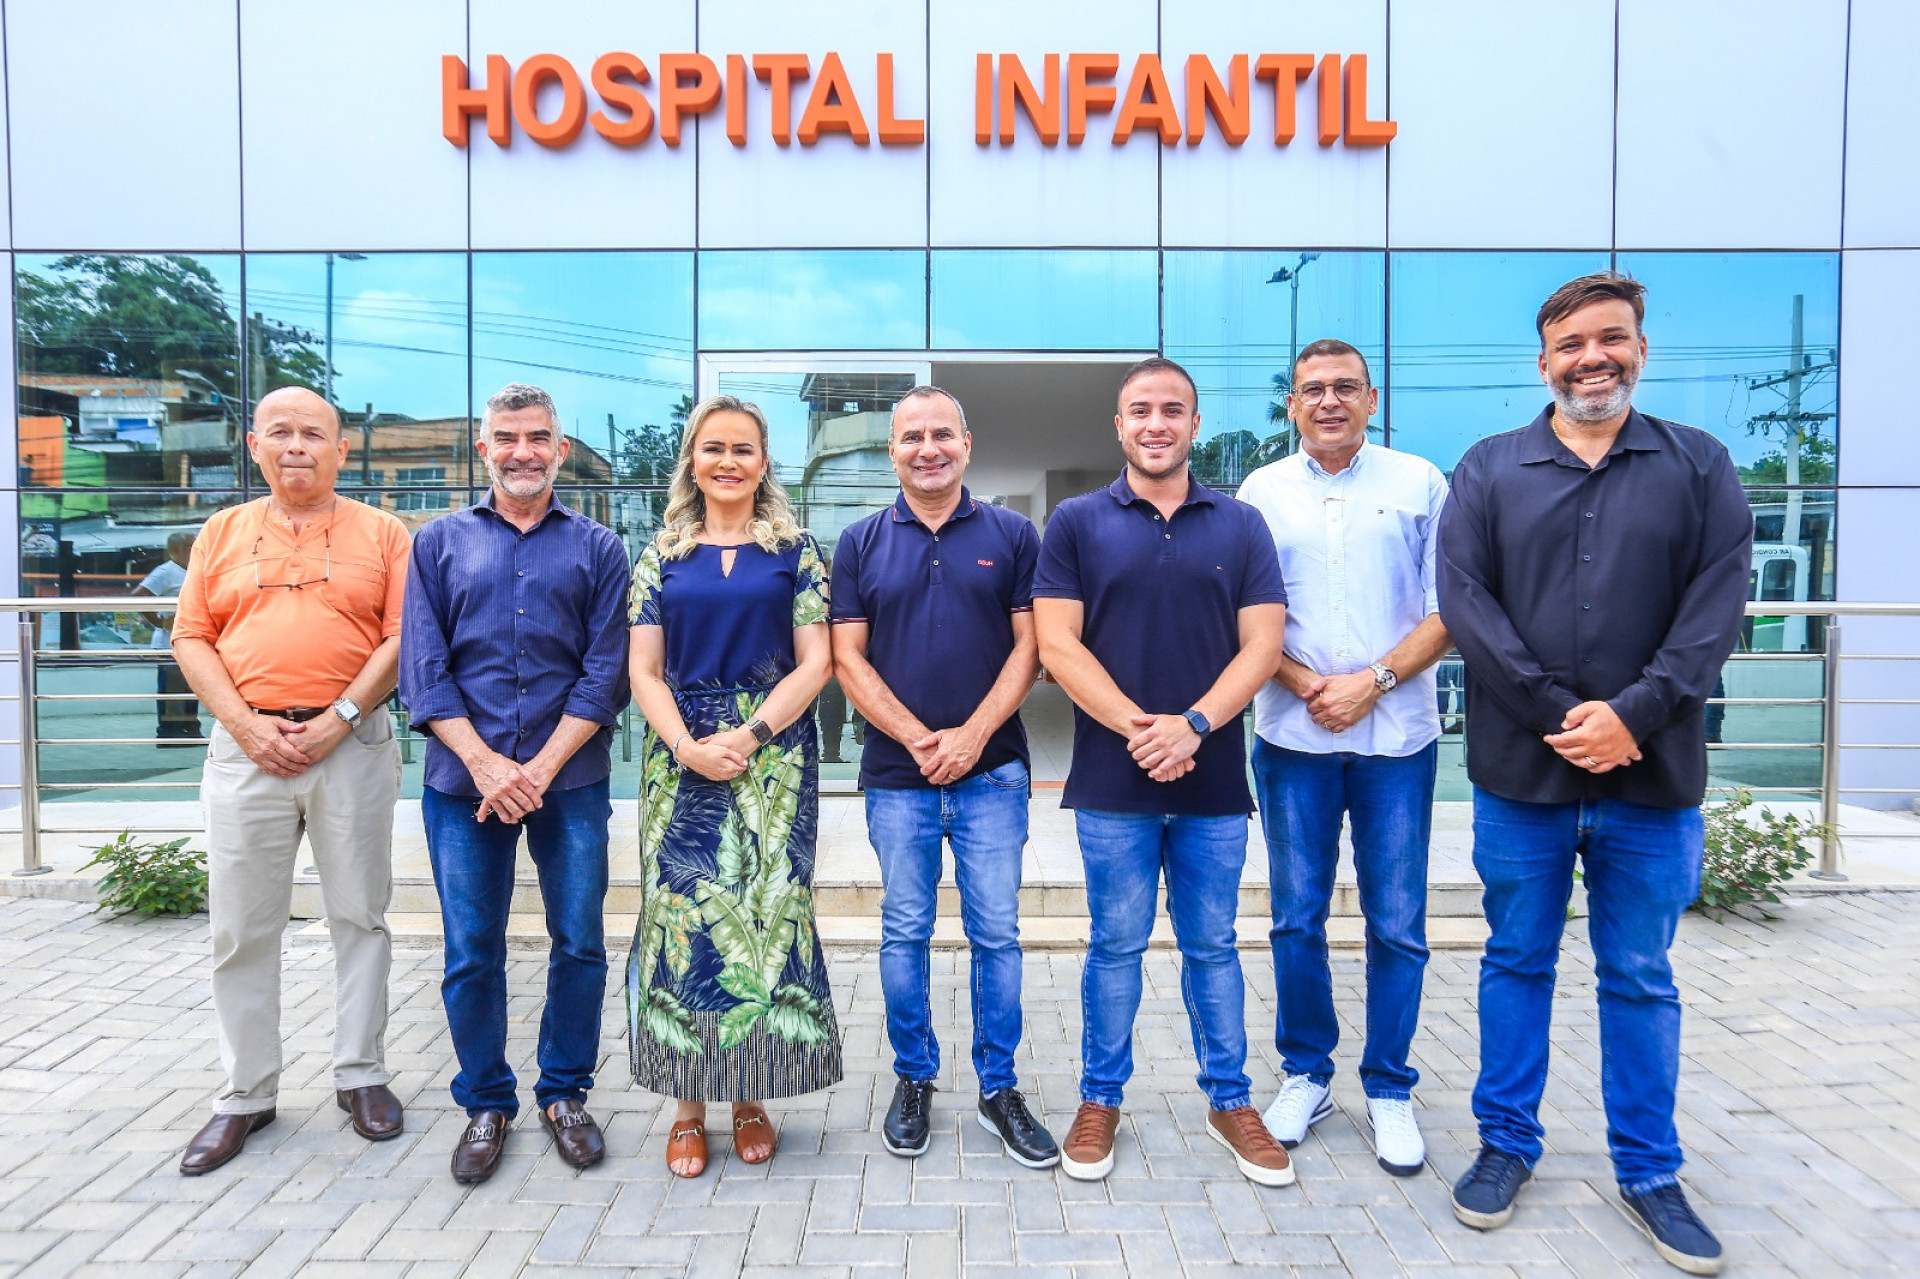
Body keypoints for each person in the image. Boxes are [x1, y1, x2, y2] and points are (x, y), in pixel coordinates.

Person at [1438, 273, 1751, 1275]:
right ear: (1544, 362)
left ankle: (1651, 1170)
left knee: (1642, 976)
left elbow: (1717, 606)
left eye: (1610, 340)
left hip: (1651, 782)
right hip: (1520, 780)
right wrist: (1556, 712)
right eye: (1571, 345)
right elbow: (1467, 603)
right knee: (1516, 961)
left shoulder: (1700, 467)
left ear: (1641, 351)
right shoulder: (1489, 470)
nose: (1591, 359)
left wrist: (1636, 714)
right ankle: (1505, 1145)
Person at [1033, 357, 1291, 1187]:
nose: (1155, 422)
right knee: (1114, 944)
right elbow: (1057, 644)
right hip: (1114, 782)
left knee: (1213, 944)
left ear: (1193, 423)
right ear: (1119, 425)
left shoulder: (1241, 524)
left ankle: (1230, 1100)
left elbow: (1264, 644)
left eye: (1171, 409)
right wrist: (1142, 730)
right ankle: (1100, 1100)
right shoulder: (1075, 522)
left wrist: (1196, 726)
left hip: (1213, 780)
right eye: (1139, 409)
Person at [169, 386, 410, 1174]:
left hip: (353, 743)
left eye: (315, 433)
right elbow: (192, 636)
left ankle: (361, 1073)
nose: (297, 445)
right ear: (254, 446)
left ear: (343, 450)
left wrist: (340, 715)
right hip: (248, 747)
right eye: (281, 432)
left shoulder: (384, 532)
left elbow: (404, 636)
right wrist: (245, 724)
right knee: (240, 926)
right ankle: (246, 1092)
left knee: (360, 916)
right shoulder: (222, 531)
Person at [399, 383, 630, 1184]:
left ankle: (564, 1091)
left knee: (581, 942)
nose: (522, 450)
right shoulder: (435, 543)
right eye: (506, 437)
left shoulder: (601, 548)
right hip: (464, 785)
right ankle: (486, 1101)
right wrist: (490, 765)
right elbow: (422, 673)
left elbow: (605, 675)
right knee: (471, 949)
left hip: (570, 781)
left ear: (560, 449)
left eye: (538, 437)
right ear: (483, 449)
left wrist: (538, 768)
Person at [1236, 338, 1451, 1177]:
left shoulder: (1420, 483)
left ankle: (1390, 1086)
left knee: (1397, 920)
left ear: (1371, 398)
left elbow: (1449, 606)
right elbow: (1246, 613)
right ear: (1291, 405)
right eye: (1311, 390)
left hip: (1398, 737)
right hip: (1293, 737)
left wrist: (1374, 680)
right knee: (1298, 915)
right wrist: (1305, 682)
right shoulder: (1261, 492)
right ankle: (1307, 1074)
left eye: (1344, 388)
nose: (1328, 400)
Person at [830, 386, 1055, 1167]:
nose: (928, 448)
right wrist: (920, 736)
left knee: (998, 932)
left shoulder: (1014, 533)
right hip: (898, 776)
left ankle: (999, 1089)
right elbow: (845, 658)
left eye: (942, 435)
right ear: (893, 449)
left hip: (992, 773)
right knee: (904, 931)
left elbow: (1032, 647)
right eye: (912, 436)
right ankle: (914, 1077)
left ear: (967, 441)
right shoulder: (858, 542)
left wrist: (972, 735)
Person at [627, 394, 840, 1178]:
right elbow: (641, 668)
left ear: (762, 463)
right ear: (692, 459)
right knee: (682, 921)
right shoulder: (661, 554)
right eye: (712, 448)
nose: (726, 461)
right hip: (676, 756)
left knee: (765, 916)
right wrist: (686, 743)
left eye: (742, 449)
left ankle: (751, 1094)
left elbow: (817, 662)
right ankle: (687, 1107)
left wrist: (749, 737)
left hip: (775, 756)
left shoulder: (799, 550)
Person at [135, 530, 200, 743]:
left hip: (195, 640)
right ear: (176, 550)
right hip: (169, 642)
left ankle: (190, 727)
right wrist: (160, 621)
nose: (196, 549)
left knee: (193, 685)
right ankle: (169, 730)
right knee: (171, 687)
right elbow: (138, 597)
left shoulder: (198, 570)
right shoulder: (165, 572)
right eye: (191, 545)